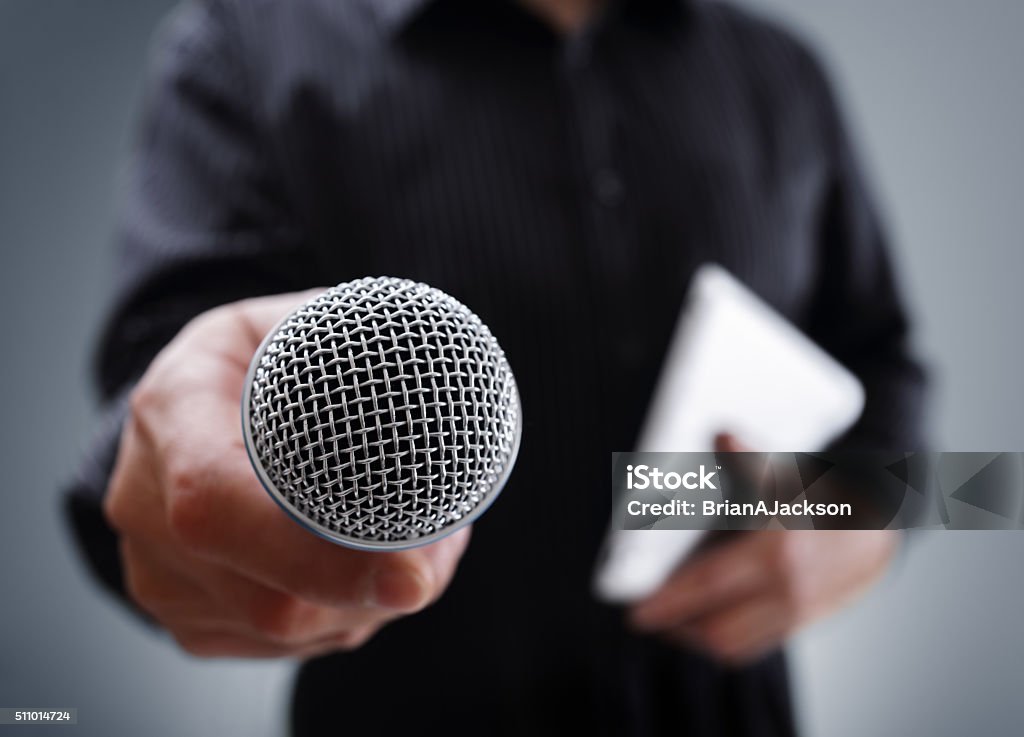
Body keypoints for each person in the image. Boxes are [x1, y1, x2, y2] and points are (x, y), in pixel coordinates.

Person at [65, 0, 926, 734]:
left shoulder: (784, 75)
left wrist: (870, 523)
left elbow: (914, 413)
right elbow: (151, 441)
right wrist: (163, 495)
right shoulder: (244, 47)